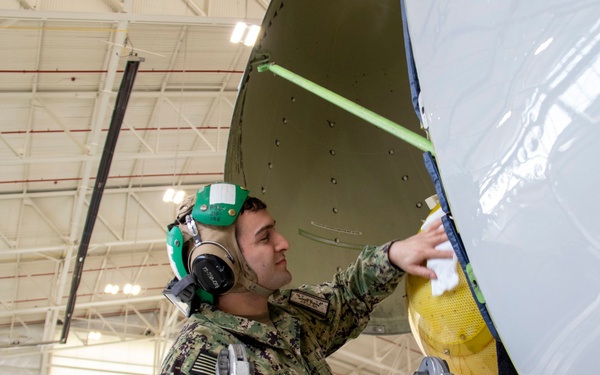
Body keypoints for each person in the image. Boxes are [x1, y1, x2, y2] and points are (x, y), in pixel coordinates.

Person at [160, 182, 452, 375]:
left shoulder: (289, 318)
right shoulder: (199, 356)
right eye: (265, 237)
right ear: (220, 264)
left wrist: (393, 256)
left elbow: (348, 295)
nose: (283, 242)